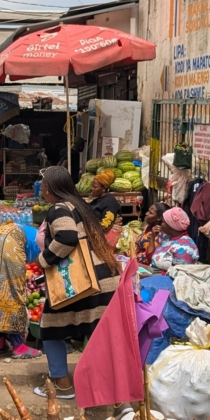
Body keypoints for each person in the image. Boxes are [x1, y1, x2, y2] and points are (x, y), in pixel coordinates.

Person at [35, 166, 120, 400]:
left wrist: (44, 260)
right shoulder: (80, 205)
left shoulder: (59, 209)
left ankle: (62, 384)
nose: (42, 190)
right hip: (104, 278)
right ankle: (100, 387)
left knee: (50, 328)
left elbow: (67, 237)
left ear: (51, 188)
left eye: (43, 186)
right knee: (94, 331)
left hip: (81, 280)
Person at [0, 222, 42, 359]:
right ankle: (18, 346)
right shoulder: (48, 242)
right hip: (9, 240)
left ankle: (1, 342)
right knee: (12, 291)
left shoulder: (36, 231)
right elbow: (41, 264)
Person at [150, 206, 199, 271]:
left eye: (163, 222)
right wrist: (152, 237)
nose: (161, 225)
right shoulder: (167, 238)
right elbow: (151, 259)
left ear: (171, 225)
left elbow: (179, 273)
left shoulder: (185, 245)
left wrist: (149, 276)